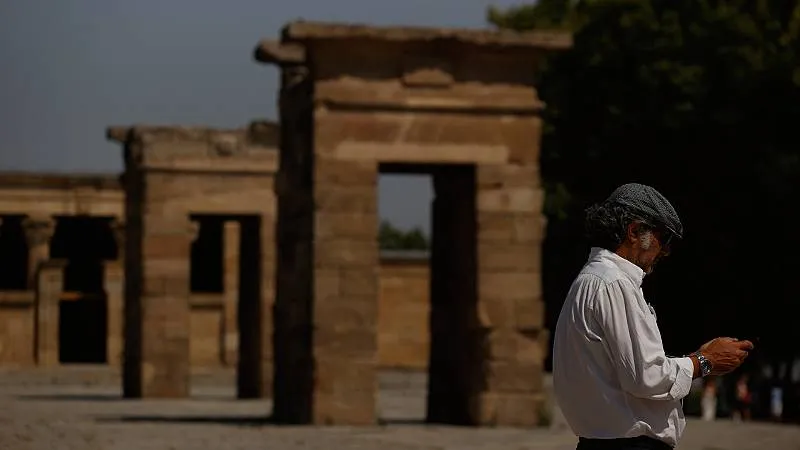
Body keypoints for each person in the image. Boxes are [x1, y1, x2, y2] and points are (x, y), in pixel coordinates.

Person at [552, 183, 754, 450]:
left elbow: (628, 369)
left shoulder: (593, 280)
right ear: (634, 231)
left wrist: (694, 359)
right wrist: (704, 362)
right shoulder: (614, 283)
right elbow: (646, 376)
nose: (666, 251)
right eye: (664, 238)